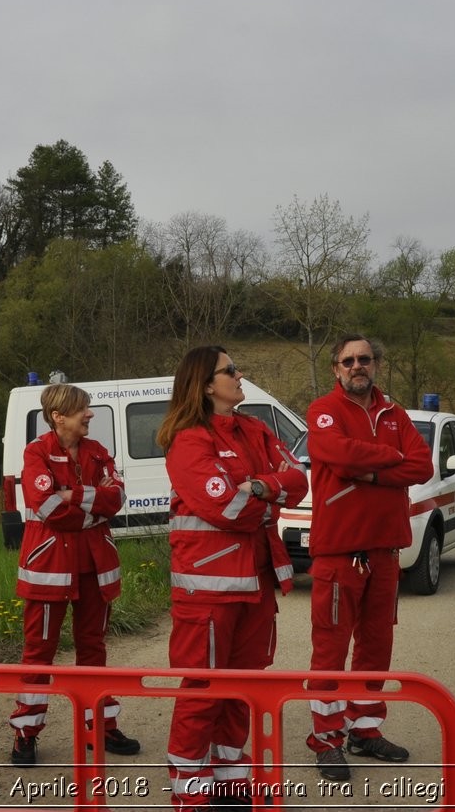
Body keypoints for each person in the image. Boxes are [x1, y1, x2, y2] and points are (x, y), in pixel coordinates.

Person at [158, 346, 308, 809]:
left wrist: (260, 486)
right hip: (208, 588)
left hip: (257, 581)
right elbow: (225, 507)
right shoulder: (188, 440)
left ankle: (226, 775)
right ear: (206, 384)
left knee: (244, 685)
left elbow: (298, 478)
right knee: (203, 687)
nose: (240, 375)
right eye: (230, 371)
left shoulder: (254, 428)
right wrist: (265, 498)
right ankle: (188, 787)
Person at [303, 334, 433, 782]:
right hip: (340, 553)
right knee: (331, 650)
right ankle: (326, 740)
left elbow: (422, 465)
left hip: (384, 551)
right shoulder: (323, 410)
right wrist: (390, 461)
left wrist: (372, 470)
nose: (357, 365)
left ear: (376, 363)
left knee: (377, 646)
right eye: (348, 360)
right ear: (336, 369)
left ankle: (365, 729)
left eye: (365, 359)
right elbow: (335, 455)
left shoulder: (395, 413)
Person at [8, 383, 140, 766]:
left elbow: (117, 497)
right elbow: (47, 507)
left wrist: (73, 495)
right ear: (58, 416)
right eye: (83, 409)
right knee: (39, 653)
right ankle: (25, 732)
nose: (90, 415)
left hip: (94, 568)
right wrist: (91, 502)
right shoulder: (36, 452)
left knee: (93, 649)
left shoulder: (97, 452)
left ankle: (97, 725)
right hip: (49, 569)